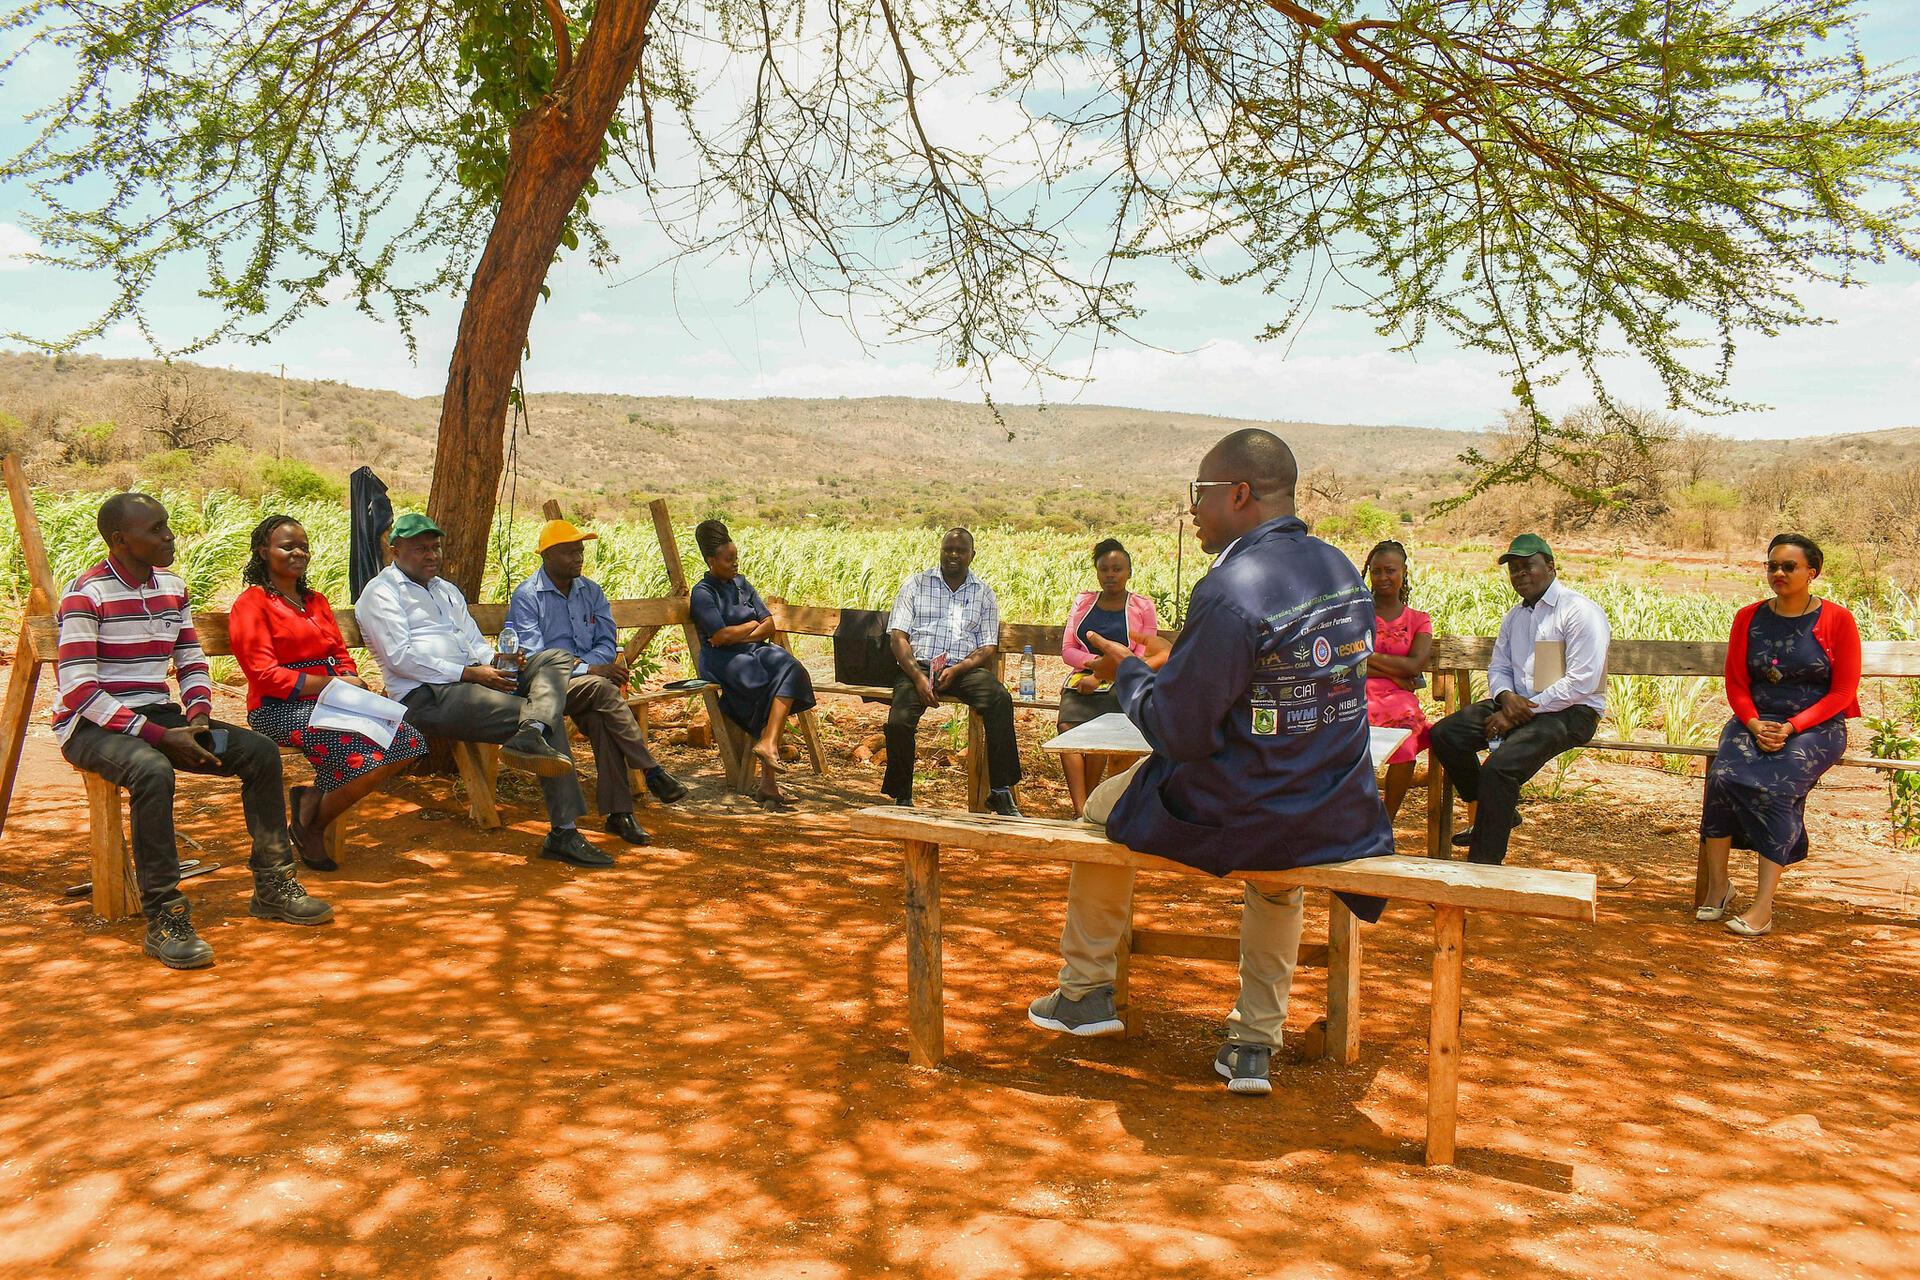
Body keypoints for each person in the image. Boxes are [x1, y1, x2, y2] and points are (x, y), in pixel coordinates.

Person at [1025, 430, 1394, 1097]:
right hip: (1331, 806)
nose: (1193, 509)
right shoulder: (1340, 568)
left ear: (1239, 494)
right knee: (1281, 874)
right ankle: (1255, 1041)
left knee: (1099, 811)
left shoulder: (1229, 588)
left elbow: (1180, 731)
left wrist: (1131, 672)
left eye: (1200, 493)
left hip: (1238, 806)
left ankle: (1085, 992)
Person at [54, 494, 332, 969]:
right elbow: (79, 690)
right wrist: (161, 738)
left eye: (168, 526)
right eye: (156, 529)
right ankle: (165, 916)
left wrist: (199, 717)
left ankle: (273, 883)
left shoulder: (172, 588)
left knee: (259, 752)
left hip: (166, 719)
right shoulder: (88, 596)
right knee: (152, 770)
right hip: (94, 726)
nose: (169, 536)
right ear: (121, 540)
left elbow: (189, 659)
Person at [355, 513, 612, 868]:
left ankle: (531, 732)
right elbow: (401, 659)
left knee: (554, 658)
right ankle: (563, 832)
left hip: (474, 679)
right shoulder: (381, 593)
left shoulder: (445, 590)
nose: (431, 555)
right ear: (395, 549)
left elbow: (473, 641)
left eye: (435, 547)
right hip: (428, 695)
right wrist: (471, 673)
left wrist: (498, 660)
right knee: (542, 716)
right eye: (420, 549)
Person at [228, 514, 429, 870]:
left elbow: (338, 652)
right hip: (278, 708)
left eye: (303, 547)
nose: (298, 553)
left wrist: (350, 680)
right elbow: (264, 675)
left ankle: (310, 812)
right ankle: (313, 827)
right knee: (360, 748)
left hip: (336, 701)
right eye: (287, 546)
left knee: (408, 741)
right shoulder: (252, 603)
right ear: (263, 551)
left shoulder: (315, 600)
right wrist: (334, 684)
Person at [1695, 534, 1860, 938]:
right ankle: (1719, 886)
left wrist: (1791, 727)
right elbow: (1735, 682)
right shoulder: (1748, 616)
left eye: (1789, 566)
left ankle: (1762, 906)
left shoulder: (1837, 620)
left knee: (1776, 787)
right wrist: (1752, 723)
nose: (1779, 573)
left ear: (1812, 572)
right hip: (1754, 718)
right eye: (1773, 566)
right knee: (1722, 777)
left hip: (1815, 725)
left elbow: (1842, 693)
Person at [1428, 535, 1609, 865]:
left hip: (1572, 711)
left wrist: (1518, 712)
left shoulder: (1579, 612)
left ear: (1551, 567)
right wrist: (1506, 696)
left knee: (1500, 768)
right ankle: (1494, 812)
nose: (1520, 574)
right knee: (1445, 734)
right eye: (1514, 570)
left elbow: (1582, 682)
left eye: (1528, 566)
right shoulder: (1515, 616)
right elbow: (1498, 666)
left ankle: (1483, 864)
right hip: (1520, 703)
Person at [506, 518, 688, 845]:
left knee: (603, 715)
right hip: (542, 689)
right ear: (547, 557)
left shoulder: (590, 591)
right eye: (569, 552)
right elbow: (534, 658)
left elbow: (606, 642)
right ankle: (649, 771)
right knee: (602, 690)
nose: (578, 558)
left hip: (585, 689)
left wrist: (593, 666)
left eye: (580, 551)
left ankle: (621, 814)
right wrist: (591, 671)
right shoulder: (528, 596)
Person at [882, 528, 1022, 815]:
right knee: (898, 721)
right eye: (948, 549)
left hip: (962, 668)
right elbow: (898, 636)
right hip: (918, 666)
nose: (953, 555)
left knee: (998, 699)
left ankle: (1000, 791)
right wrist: (919, 678)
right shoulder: (916, 584)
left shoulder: (983, 592)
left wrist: (959, 669)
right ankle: (902, 796)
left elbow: (987, 647)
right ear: (941, 551)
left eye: (960, 550)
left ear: (972, 554)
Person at [688, 519, 817, 812]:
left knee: (792, 668)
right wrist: (750, 626)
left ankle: (768, 743)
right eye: (728, 559)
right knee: (763, 684)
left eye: (736, 557)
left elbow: (769, 625)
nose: (735, 564)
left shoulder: (742, 583)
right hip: (723, 661)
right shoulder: (703, 592)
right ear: (711, 561)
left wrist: (740, 632)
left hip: (753, 651)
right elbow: (718, 636)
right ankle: (768, 781)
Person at [1057, 538, 1162, 817]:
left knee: (1100, 734)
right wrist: (1094, 667)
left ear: (1129, 572)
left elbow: (1143, 652)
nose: (1111, 575)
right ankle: (1081, 810)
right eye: (1104, 569)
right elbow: (1068, 649)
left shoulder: (1141, 606)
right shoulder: (1083, 602)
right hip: (1083, 678)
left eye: (1117, 569)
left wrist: (1107, 674)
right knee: (1068, 727)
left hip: (1123, 680)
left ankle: (1089, 806)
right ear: (1097, 572)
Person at [1360, 540, 1433, 820]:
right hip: (1357, 690)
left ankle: (1386, 819)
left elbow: (1415, 664)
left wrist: (1366, 656)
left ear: (1403, 571)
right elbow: (1344, 660)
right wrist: (1394, 671)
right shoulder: (1358, 614)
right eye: (1376, 571)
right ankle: (1356, 816)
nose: (1382, 578)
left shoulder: (1418, 620)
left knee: (1405, 737)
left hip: (1399, 697)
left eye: (1389, 570)